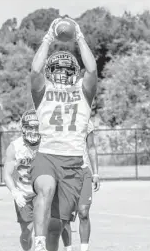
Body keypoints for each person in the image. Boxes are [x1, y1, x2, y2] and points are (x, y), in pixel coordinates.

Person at [30, 16, 97, 251]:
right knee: (45, 189)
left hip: (74, 161)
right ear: (51, 71)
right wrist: (48, 37)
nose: (61, 73)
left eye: (66, 70)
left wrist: (79, 36)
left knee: (61, 223)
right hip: (47, 155)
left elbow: (92, 68)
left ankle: (51, 244)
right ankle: (37, 244)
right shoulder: (43, 91)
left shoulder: (83, 91)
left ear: (74, 72)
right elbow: (35, 68)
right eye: (57, 69)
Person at [4, 109, 41, 251]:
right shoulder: (15, 147)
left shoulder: (46, 144)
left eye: (36, 127)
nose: (33, 130)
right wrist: (14, 192)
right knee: (27, 231)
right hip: (23, 192)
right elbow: (7, 174)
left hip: (40, 192)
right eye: (29, 127)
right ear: (23, 128)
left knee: (42, 228)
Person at [61, 120, 100, 251]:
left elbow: (91, 147)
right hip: (64, 172)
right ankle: (68, 249)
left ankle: (84, 249)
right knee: (64, 216)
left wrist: (96, 174)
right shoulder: (58, 118)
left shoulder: (86, 121)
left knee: (83, 212)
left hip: (83, 171)